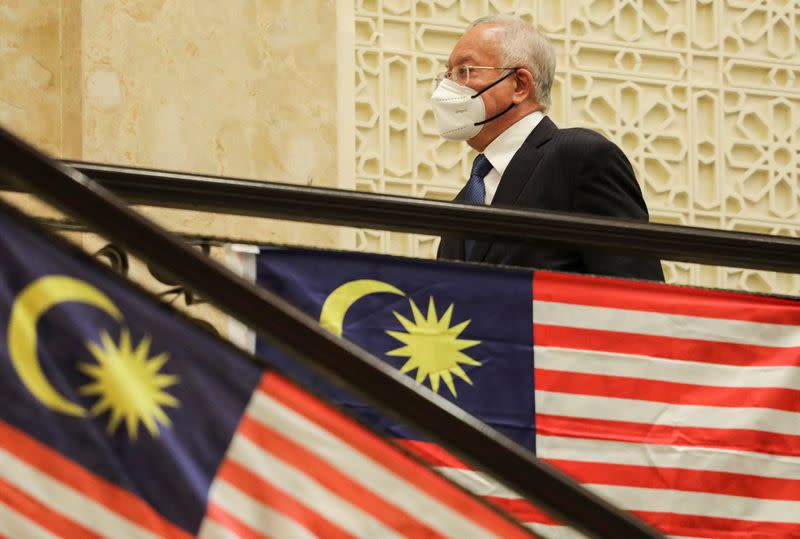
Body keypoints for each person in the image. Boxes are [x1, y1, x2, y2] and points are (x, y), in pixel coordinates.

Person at [432, 15, 664, 281]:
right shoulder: (463, 203)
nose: (447, 88)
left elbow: (638, 292)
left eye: (464, 71)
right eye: (447, 74)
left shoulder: (580, 158)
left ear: (519, 84)